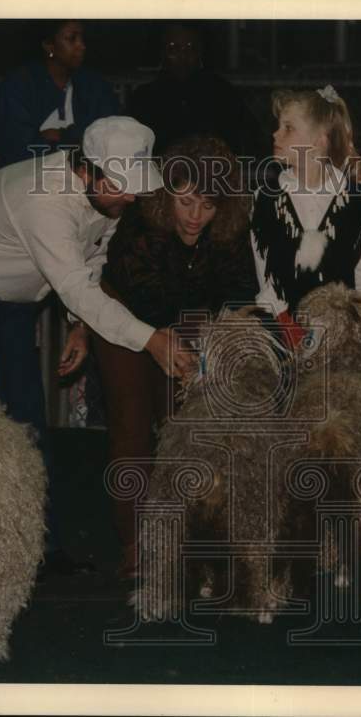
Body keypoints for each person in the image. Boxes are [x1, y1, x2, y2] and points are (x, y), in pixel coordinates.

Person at [0, 116, 195, 573]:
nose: (130, 198)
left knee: (27, 425)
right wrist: (151, 340)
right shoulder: (44, 201)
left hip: (15, 305)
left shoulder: (107, 197)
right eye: (121, 185)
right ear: (85, 170)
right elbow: (75, 287)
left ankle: (40, 549)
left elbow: (93, 258)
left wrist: (79, 326)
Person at [96, 134, 257, 579]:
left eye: (208, 205)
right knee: (132, 425)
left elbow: (239, 292)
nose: (195, 216)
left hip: (187, 319)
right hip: (125, 316)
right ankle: (134, 543)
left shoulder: (230, 229)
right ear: (167, 195)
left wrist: (219, 341)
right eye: (185, 202)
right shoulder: (142, 222)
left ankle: (186, 537)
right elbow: (143, 297)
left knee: (185, 427)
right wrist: (171, 342)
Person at [250, 85, 361, 346]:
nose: (275, 134)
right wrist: (288, 326)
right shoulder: (265, 199)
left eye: (288, 128)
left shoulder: (359, 200)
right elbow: (265, 275)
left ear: (319, 141)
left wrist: (345, 322)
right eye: (278, 126)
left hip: (343, 334)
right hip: (284, 334)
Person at [0, 20, 119, 169]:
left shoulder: (94, 85)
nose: (81, 46)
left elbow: (110, 137)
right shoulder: (19, 85)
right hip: (26, 175)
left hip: (83, 175)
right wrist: (77, 140)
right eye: (72, 39)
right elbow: (15, 148)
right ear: (49, 45)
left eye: (82, 39)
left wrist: (60, 135)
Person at [128, 22, 267, 160]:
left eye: (190, 48)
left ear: (200, 52)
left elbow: (250, 141)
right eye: (173, 48)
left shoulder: (223, 93)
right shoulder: (144, 98)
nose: (182, 56)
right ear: (162, 52)